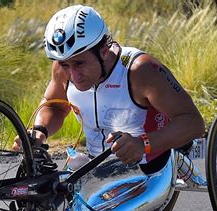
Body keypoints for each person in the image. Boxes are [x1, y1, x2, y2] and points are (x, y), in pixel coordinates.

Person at [13, 5, 205, 168]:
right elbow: (54, 105)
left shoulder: (141, 70)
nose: (73, 75)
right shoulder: (63, 67)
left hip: (150, 164)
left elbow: (193, 123)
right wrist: (40, 131)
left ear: (104, 50)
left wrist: (143, 144)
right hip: (98, 168)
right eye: (65, 64)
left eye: (79, 63)